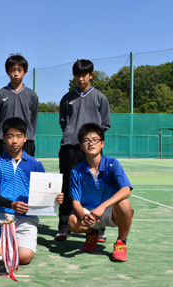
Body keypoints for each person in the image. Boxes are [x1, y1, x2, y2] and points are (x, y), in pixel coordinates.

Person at [0, 117, 63, 265]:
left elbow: (44, 192)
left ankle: (9, 244)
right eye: (10, 136)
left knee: (24, 257)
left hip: (26, 219)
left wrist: (55, 198)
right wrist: (12, 204)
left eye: (19, 136)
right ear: (3, 138)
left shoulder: (35, 164)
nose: (15, 141)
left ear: (25, 138)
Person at [56, 59, 111, 242]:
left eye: (84, 75)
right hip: (70, 148)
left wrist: (91, 142)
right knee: (66, 187)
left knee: (96, 187)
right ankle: (64, 226)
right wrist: (73, 137)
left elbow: (104, 125)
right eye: (77, 75)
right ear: (74, 76)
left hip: (92, 150)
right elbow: (64, 123)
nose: (81, 78)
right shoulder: (67, 98)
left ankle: (98, 227)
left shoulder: (100, 98)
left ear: (91, 75)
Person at [67, 123, 133, 262]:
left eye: (95, 140)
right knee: (72, 222)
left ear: (102, 143)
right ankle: (92, 233)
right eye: (86, 140)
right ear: (81, 146)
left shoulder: (113, 164)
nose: (91, 143)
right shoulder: (76, 171)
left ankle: (121, 242)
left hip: (109, 211)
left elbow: (126, 190)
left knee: (125, 204)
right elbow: (76, 202)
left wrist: (103, 206)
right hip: (89, 212)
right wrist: (83, 216)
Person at [0, 54, 38, 157]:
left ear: (25, 72)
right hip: (4, 141)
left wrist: (28, 134)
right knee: (3, 172)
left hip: (27, 141)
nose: (16, 73)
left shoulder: (32, 95)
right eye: (12, 70)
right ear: (7, 72)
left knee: (26, 172)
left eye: (20, 70)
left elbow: (33, 121)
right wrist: (1, 136)